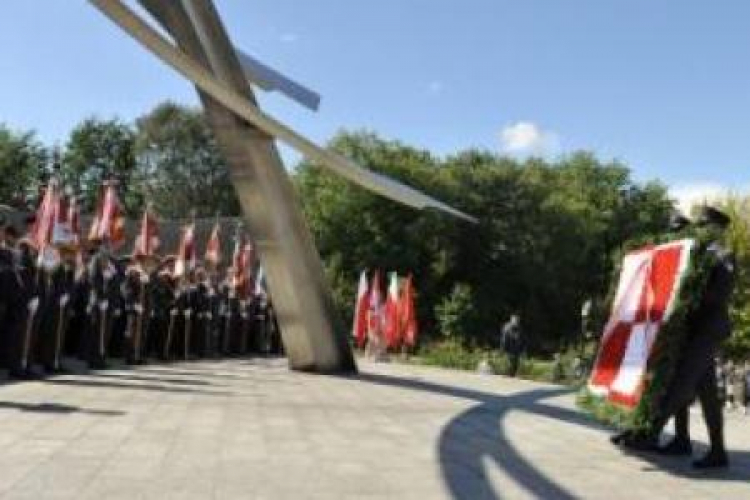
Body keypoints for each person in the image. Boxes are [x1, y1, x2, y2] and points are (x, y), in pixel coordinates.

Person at [621, 206, 735, 468]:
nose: (701, 229)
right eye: (700, 224)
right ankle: (712, 450)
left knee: (682, 379)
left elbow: (720, 295)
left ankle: (649, 432)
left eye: (705, 225)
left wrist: (686, 295)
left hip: (709, 328)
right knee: (707, 394)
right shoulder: (697, 253)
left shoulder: (723, 255)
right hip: (695, 329)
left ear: (718, 228)